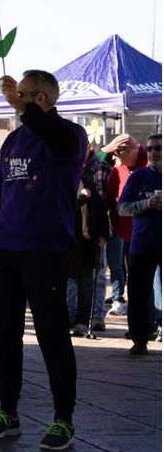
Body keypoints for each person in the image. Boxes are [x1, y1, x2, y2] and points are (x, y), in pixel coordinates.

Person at [0, 70, 87, 451]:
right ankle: (8, 411)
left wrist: (24, 110)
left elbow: (55, 140)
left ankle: (63, 419)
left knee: (52, 335)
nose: (13, 100)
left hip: (46, 251)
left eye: (21, 95)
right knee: (5, 334)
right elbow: (2, 191)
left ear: (41, 99)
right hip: (5, 250)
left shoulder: (70, 135)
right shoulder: (12, 140)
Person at [119, 133, 161, 355]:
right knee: (137, 294)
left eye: (159, 148)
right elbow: (121, 208)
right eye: (151, 148)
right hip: (142, 244)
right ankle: (139, 338)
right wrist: (146, 203)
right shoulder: (138, 177)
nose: (155, 152)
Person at [67, 155, 109, 338]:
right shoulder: (63, 189)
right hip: (68, 244)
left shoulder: (90, 187)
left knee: (86, 283)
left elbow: (101, 212)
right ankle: (68, 317)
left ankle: (83, 321)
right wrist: (79, 200)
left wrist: (102, 235)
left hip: (86, 244)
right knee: (69, 283)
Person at [104, 133, 146, 316]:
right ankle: (118, 298)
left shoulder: (150, 168)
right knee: (116, 264)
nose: (114, 157)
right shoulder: (117, 170)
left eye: (117, 153)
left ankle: (150, 315)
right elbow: (110, 199)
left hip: (144, 231)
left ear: (128, 150)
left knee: (141, 273)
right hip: (120, 227)